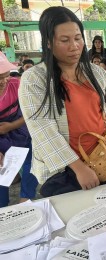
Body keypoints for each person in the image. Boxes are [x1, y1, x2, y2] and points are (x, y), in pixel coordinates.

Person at [18, 6, 106, 193]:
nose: (74, 46)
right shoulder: (34, 79)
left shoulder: (97, 73)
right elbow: (42, 130)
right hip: (66, 171)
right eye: (65, 40)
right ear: (48, 42)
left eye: (78, 38)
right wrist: (78, 168)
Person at [0, 52, 38, 207]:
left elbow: (32, 112)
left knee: (33, 161)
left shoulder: (16, 85)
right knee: (2, 173)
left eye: (6, 75)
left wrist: (12, 126)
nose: (4, 81)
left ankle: (26, 198)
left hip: (21, 132)